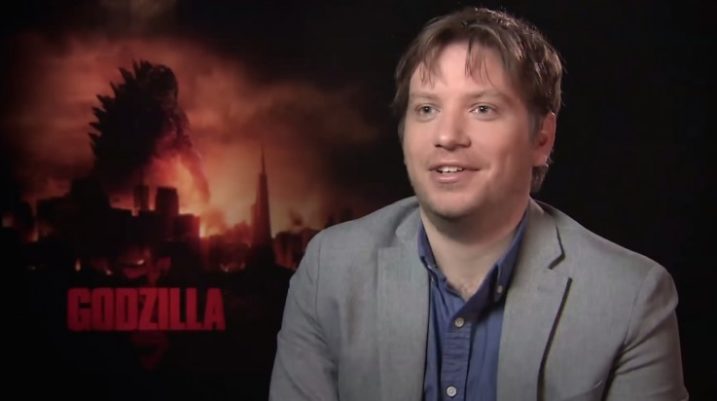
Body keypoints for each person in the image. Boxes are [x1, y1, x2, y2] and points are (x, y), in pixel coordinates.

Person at [269, 7, 688, 401]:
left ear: (542, 139)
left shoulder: (630, 298)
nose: (447, 135)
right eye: (427, 108)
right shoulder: (330, 270)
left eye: (482, 108)